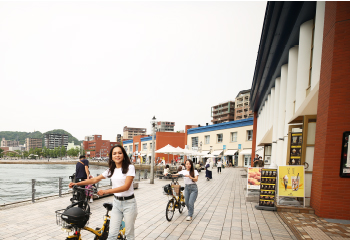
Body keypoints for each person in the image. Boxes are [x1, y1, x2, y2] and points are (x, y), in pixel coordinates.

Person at [69, 145, 137, 240]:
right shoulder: (111, 170)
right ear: (111, 157)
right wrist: (76, 183)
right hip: (117, 203)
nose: (117, 155)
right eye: (114, 153)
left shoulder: (130, 167)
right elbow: (94, 180)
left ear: (124, 155)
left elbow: (126, 187)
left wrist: (106, 191)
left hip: (129, 203)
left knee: (129, 234)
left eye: (120, 153)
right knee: (112, 235)